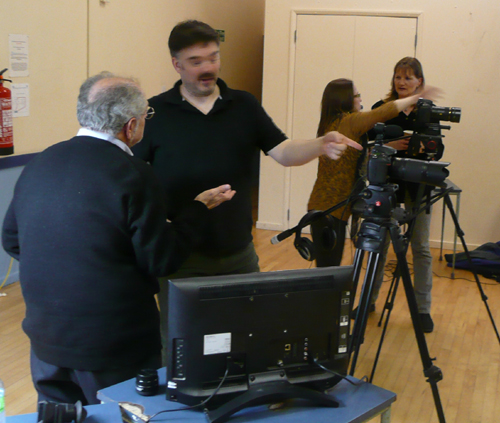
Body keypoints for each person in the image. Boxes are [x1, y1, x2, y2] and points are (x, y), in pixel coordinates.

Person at [131, 20, 362, 362]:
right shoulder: (154, 112)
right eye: (196, 61)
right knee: (180, 347)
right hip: (180, 256)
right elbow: (130, 172)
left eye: (213, 57)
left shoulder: (244, 106)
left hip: (238, 253)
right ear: (176, 65)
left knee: (246, 339)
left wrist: (319, 144)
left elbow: (282, 151)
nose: (208, 68)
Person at [1, 72, 235, 405]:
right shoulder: (134, 174)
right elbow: (161, 259)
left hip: (46, 342)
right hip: (113, 345)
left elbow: (12, 239)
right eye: (146, 117)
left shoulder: (41, 162)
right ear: (131, 126)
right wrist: (197, 210)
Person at [307, 78, 440, 268]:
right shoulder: (349, 121)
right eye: (357, 95)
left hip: (326, 207)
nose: (361, 99)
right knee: (328, 274)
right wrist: (415, 98)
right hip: (329, 210)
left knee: (328, 271)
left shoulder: (333, 122)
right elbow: (382, 112)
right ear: (345, 99)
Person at [368, 57, 437, 333]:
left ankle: (422, 310)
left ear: (420, 81)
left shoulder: (430, 112)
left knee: (420, 249)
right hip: (387, 188)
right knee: (379, 247)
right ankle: (368, 302)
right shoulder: (381, 110)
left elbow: (438, 150)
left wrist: (421, 147)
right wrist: (389, 145)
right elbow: (368, 144)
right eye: (398, 77)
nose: (402, 82)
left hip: (419, 189)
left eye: (408, 78)